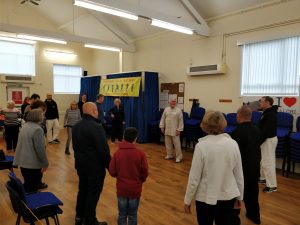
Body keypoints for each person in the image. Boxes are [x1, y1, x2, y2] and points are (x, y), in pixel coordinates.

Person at [184, 111, 244, 225]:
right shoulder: (233, 144)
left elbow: (194, 178)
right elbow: (239, 175)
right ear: (223, 123)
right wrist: (240, 196)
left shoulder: (201, 146)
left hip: (205, 197)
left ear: (205, 125)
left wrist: (187, 200)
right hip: (228, 197)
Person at [72, 102, 111, 225]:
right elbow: (103, 150)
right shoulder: (96, 127)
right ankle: (90, 220)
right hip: (94, 167)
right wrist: (110, 166)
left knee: (82, 190)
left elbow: (75, 147)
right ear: (95, 111)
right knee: (92, 193)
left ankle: (79, 217)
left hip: (80, 165)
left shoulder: (76, 126)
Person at [109, 127, 148, 225]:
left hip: (121, 189)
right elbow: (145, 172)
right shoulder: (141, 154)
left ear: (123, 137)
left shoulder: (117, 154)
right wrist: (140, 181)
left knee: (122, 215)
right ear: (135, 139)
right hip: (135, 190)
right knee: (133, 215)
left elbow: (112, 171)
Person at [231, 106, 261, 224]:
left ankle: (234, 218)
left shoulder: (236, 132)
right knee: (253, 194)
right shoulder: (257, 130)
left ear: (239, 116)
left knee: (236, 195)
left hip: (241, 169)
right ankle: (255, 216)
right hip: (254, 168)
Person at [13, 109, 48, 193]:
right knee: (32, 188)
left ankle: (24, 202)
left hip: (24, 163)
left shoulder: (25, 126)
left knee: (28, 185)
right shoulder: (37, 129)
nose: (43, 117)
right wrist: (45, 163)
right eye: (42, 115)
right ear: (37, 117)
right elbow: (40, 149)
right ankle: (29, 204)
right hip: (32, 165)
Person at [258, 96, 278, 193]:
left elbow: (267, 131)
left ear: (267, 102)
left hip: (268, 140)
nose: (260, 103)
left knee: (268, 163)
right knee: (263, 160)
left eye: (261, 102)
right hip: (266, 139)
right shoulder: (266, 113)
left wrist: (258, 141)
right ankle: (263, 178)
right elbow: (261, 127)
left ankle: (272, 186)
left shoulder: (270, 114)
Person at [159, 99, 184, 163]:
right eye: (172, 101)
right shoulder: (166, 109)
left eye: (174, 101)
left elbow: (181, 121)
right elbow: (163, 118)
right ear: (169, 102)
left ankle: (179, 157)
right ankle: (169, 155)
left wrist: (179, 129)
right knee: (168, 143)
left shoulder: (179, 111)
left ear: (176, 103)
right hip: (167, 129)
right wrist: (162, 126)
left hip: (175, 130)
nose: (173, 103)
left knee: (177, 144)